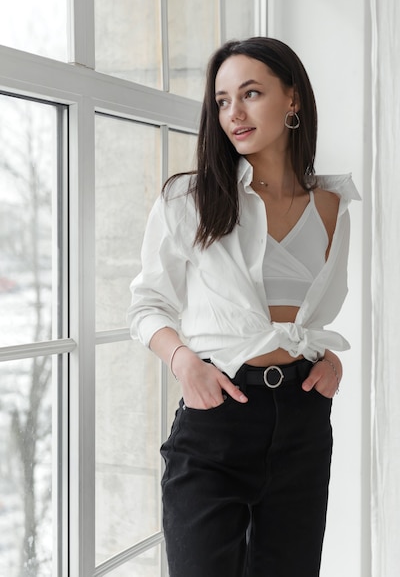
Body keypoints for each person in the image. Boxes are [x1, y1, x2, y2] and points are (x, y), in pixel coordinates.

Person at [128, 36, 360, 577]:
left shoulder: (331, 205)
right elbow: (147, 306)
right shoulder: (189, 199)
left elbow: (307, 316)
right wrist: (184, 364)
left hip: (303, 423)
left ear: (292, 99)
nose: (234, 112)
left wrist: (328, 360)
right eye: (223, 100)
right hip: (216, 421)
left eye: (251, 94)